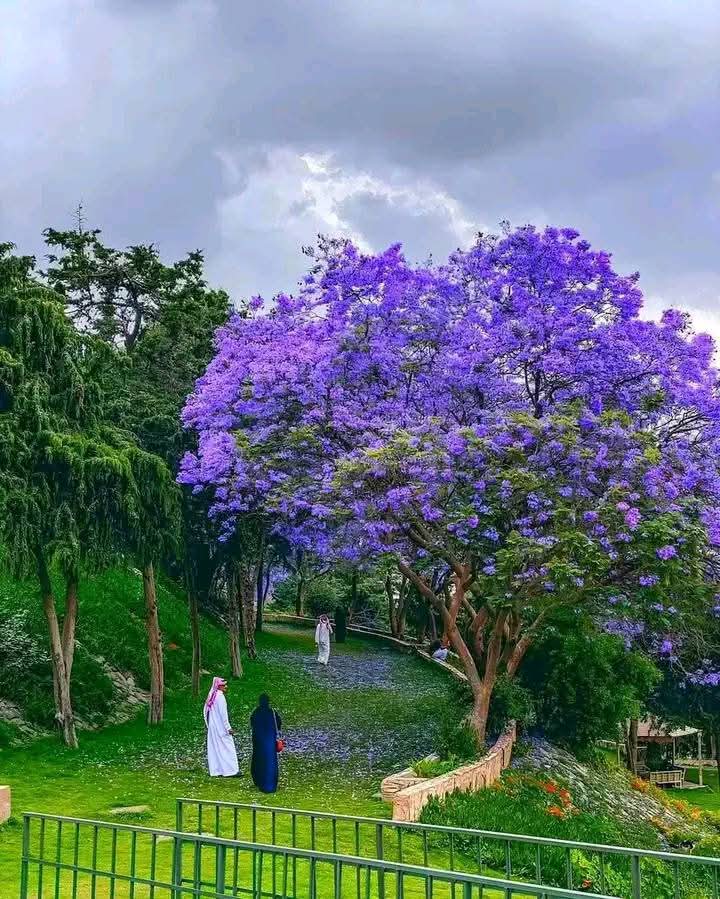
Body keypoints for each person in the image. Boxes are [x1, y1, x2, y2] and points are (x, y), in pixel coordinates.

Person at [203, 677, 239, 777]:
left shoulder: (212, 696)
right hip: (221, 728)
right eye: (224, 685)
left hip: (213, 727)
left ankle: (217, 770)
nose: (226, 687)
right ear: (219, 686)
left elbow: (205, 711)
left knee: (215, 748)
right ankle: (231, 770)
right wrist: (228, 728)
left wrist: (209, 724)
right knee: (228, 747)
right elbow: (224, 715)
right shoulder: (220, 698)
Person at [250, 693, 282, 793]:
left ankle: (260, 782)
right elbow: (279, 724)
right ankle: (271, 785)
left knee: (260, 762)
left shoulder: (256, 712)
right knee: (270, 763)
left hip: (259, 742)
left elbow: (253, 724)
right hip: (270, 742)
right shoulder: (272, 712)